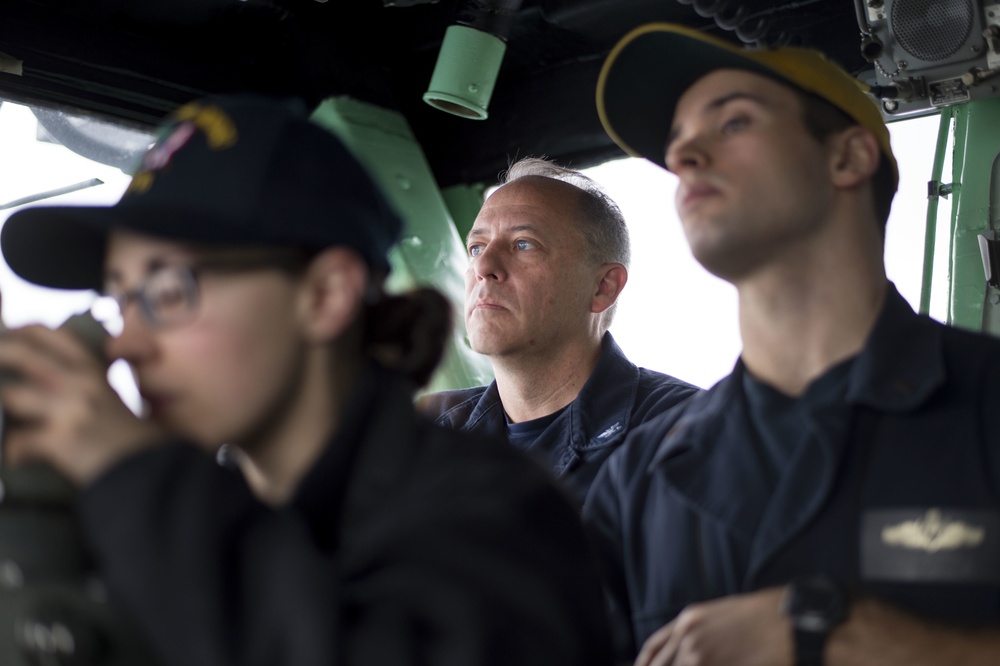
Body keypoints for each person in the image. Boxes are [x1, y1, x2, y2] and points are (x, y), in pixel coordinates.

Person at [0, 94, 615, 666]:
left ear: (325, 295)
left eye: (168, 290)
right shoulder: (215, 515)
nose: (127, 342)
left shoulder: (501, 519)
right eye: (122, 299)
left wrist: (132, 477)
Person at [585, 22, 1000, 666]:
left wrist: (853, 639)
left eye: (734, 123)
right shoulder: (636, 482)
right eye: (678, 144)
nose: (686, 156)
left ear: (848, 158)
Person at [419, 157, 699, 506]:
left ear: (603, 288)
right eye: (476, 247)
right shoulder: (430, 428)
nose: (483, 267)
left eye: (523, 244)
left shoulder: (685, 429)